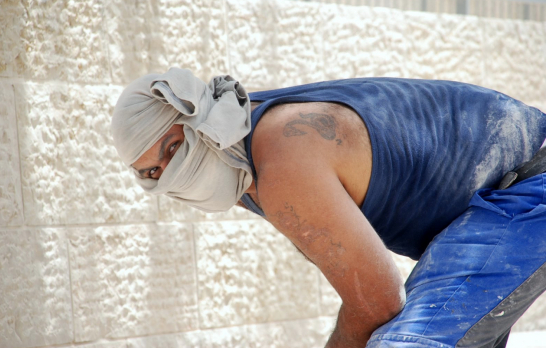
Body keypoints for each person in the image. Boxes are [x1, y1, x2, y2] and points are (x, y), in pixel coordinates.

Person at [111, 67, 546, 348]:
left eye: (173, 145)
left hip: (525, 189)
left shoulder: (278, 155)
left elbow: (377, 303)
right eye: (152, 172)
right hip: (480, 214)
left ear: (197, 117)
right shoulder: (236, 161)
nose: (171, 171)